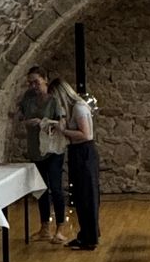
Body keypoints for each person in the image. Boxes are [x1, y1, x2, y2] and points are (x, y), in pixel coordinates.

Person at [19, 67, 69, 242]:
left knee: (55, 187)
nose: (33, 86)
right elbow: (20, 117)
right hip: (35, 148)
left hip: (52, 149)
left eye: (36, 82)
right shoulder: (28, 98)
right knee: (41, 189)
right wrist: (27, 122)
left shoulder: (54, 100)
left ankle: (60, 227)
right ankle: (44, 227)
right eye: (30, 83)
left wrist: (43, 122)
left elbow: (61, 123)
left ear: (45, 79)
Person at [50, 76, 100, 251]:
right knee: (79, 195)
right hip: (76, 151)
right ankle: (85, 234)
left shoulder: (79, 107)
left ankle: (90, 238)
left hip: (84, 152)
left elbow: (86, 134)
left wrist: (64, 130)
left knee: (87, 195)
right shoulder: (71, 109)